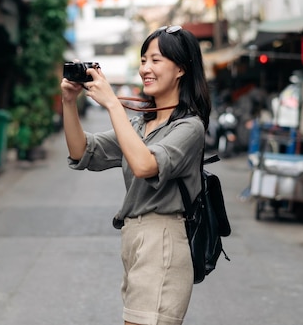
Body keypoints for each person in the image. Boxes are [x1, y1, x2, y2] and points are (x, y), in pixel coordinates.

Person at [60, 25, 211, 325]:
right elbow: (82, 151)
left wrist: (113, 104)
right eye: (143, 60)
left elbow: (145, 165)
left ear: (181, 68)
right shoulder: (141, 126)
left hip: (163, 240)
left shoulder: (189, 127)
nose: (146, 69)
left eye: (156, 60)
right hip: (134, 240)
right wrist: (68, 102)